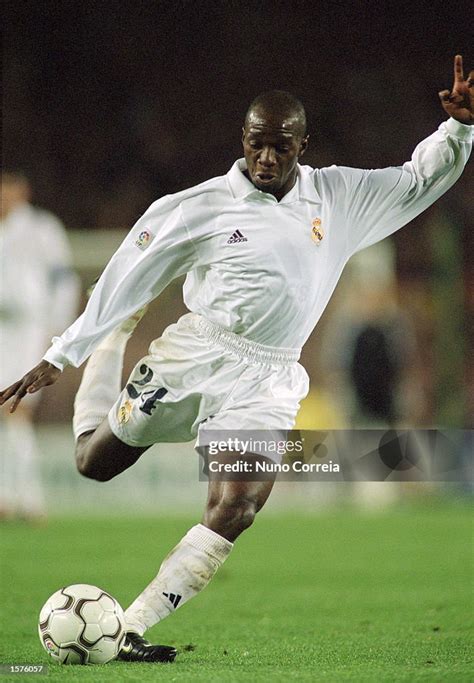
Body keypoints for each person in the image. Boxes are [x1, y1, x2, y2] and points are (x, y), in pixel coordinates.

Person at [0, 56, 472, 663]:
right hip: (195, 355)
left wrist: (457, 130)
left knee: (237, 504)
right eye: (257, 145)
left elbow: (415, 180)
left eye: (281, 147)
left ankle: (128, 628)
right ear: (242, 141)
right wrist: (70, 349)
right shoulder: (198, 206)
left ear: (304, 144)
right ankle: (120, 346)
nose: (267, 159)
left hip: (269, 376)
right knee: (94, 462)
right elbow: (127, 272)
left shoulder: (338, 196)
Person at [0, 172, 80, 521]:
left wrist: (57, 331)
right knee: (10, 416)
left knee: (17, 410)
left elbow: (64, 279)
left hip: (29, 329)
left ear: (22, 190)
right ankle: (14, 499)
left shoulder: (42, 228)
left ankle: (28, 499)